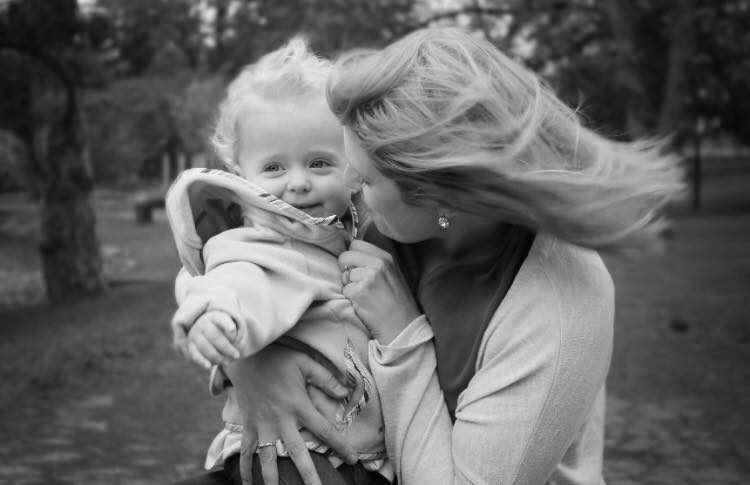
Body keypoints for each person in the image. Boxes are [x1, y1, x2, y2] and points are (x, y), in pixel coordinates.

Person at [225, 27, 685, 485]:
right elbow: (247, 268)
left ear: (439, 194)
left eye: (365, 180)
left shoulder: (557, 301)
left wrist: (402, 335)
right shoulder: (385, 221)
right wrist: (253, 367)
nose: (346, 187)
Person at [166, 38, 391, 485]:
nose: (298, 183)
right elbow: (235, 280)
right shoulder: (263, 244)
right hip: (294, 455)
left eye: (320, 162)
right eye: (274, 168)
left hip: (349, 454)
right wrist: (215, 316)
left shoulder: (346, 235)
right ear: (240, 174)